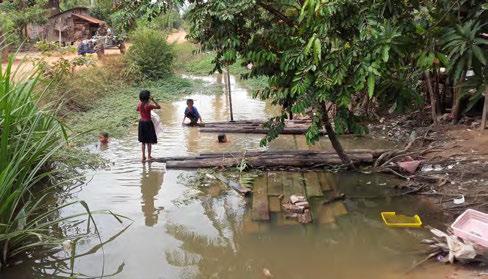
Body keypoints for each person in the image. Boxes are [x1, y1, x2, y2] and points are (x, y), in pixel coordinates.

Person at [137, 90, 161, 162]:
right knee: (149, 141)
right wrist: (153, 100)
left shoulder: (139, 104)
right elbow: (159, 107)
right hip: (148, 123)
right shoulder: (149, 105)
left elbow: (137, 109)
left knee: (143, 142)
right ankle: (149, 156)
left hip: (141, 123)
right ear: (148, 98)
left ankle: (143, 156)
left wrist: (140, 103)